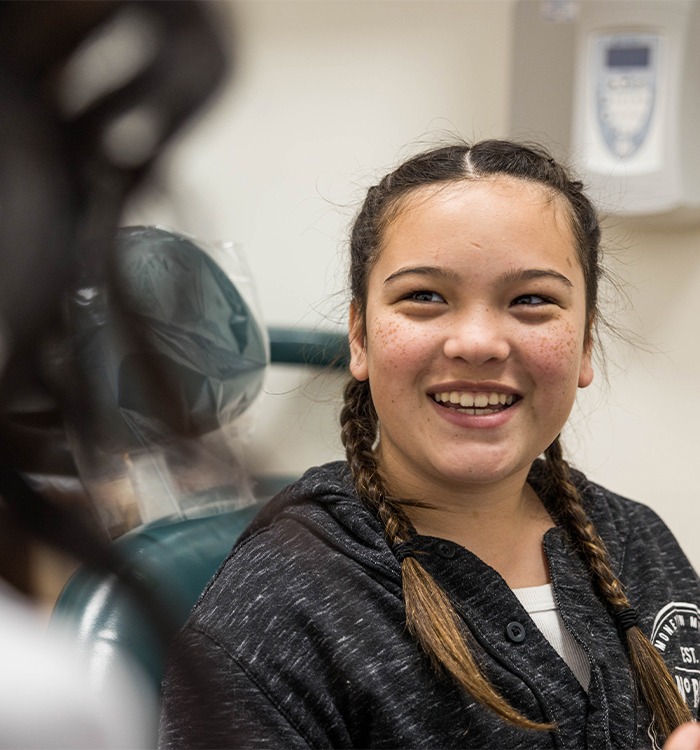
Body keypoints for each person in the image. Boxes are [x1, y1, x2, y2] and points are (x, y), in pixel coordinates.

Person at [158, 140, 700, 749]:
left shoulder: (636, 544)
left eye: (531, 300)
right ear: (359, 336)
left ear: (584, 345)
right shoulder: (280, 609)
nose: (477, 342)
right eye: (425, 297)